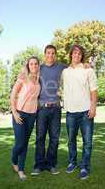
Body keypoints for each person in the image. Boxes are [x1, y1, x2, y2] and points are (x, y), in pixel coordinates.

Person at [62, 44, 98, 180]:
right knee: (71, 140)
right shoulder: (65, 72)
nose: (76, 55)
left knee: (87, 142)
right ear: (71, 54)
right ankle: (72, 162)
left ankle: (85, 166)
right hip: (70, 112)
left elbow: (94, 90)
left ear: (81, 56)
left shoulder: (88, 70)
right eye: (74, 53)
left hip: (85, 112)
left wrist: (93, 107)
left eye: (79, 54)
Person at [31, 45, 66, 175]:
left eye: (52, 53)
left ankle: (51, 164)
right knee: (40, 137)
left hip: (56, 108)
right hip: (42, 109)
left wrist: (85, 65)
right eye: (48, 53)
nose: (50, 55)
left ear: (55, 55)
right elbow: (27, 73)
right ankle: (39, 165)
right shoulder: (39, 68)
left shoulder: (61, 67)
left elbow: (74, 67)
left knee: (54, 138)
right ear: (44, 54)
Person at [10, 56, 40, 180]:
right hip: (20, 113)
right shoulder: (23, 77)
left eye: (36, 64)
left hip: (32, 115)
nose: (33, 66)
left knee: (25, 143)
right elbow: (13, 95)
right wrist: (14, 112)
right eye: (31, 64)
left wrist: (86, 65)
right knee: (20, 142)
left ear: (38, 65)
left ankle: (21, 169)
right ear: (28, 66)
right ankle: (13, 159)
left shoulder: (39, 78)